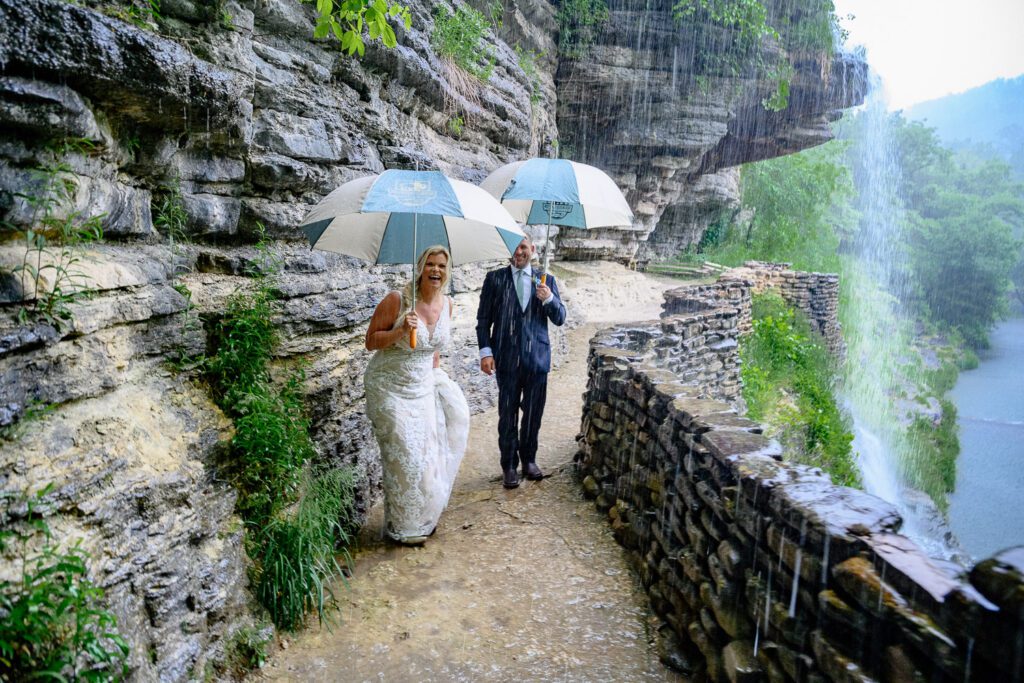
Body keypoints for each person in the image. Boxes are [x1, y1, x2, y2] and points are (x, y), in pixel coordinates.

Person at [364, 245, 470, 545]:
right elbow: (370, 342)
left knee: (426, 457)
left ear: (447, 272)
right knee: (405, 455)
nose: (436, 271)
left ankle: (421, 518)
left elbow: (432, 349)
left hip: (421, 386)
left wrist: (435, 379)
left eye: (442, 266)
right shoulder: (397, 300)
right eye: (430, 265)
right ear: (421, 268)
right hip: (389, 386)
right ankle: (401, 527)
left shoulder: (447, 304)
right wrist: (400, 331)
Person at [476, 236, 567, 489]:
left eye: (523, 247)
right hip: (505, 359)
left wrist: (548, 298)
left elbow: (560, 318)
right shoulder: (494, 279)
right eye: (514, 247)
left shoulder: (546, 280)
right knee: (507, 413)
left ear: (533, 250)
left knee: (533, 414)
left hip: (537, 359)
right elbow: (483, 320)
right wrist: (486, 352)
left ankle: (529, 460)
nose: (518, 252)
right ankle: (509, 465)